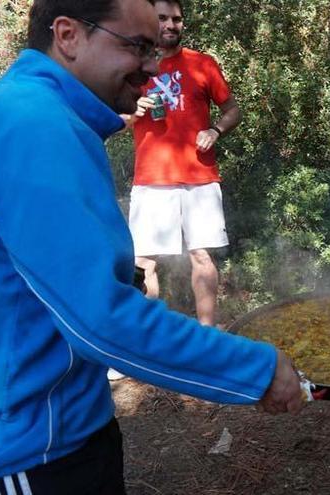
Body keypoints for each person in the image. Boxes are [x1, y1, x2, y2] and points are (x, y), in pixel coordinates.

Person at [0, 1, 303, 493]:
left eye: (155, 49)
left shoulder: (44, 114)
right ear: (68, 36)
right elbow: (100, 318)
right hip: (31, 446)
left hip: (65, 424)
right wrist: (257, 369)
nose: (153, 67)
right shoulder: (34, 124)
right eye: (137, 47)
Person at [124, 0, 241, 326]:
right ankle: (146, 340)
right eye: (163, 18)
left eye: (177, 19)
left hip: (199, 176)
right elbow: (114, 120)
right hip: (151, 178)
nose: (171, 25)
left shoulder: (202, 64)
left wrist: (215, 130)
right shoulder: (133, 66)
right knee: (143, 263)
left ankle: (208, 335)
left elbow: (233, 110)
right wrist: (133, 113)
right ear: (150, 21)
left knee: (201, 256)